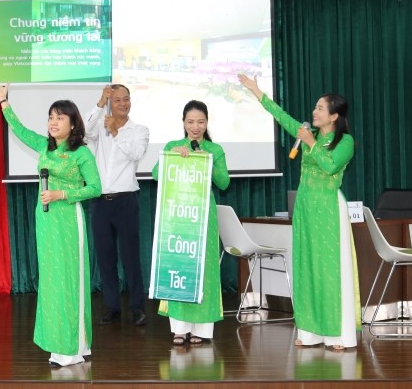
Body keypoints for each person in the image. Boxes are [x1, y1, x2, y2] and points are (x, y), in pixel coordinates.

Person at [237, 73, 359, 350]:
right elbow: (280, 116)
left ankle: (338, 334)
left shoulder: (345, 142)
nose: (314, 112)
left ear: (334, 116)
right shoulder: (307, 134)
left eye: (320, 108)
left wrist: (311, 143)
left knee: (329, 269)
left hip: (328, 208)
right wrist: (256, 90)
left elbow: (330, 166)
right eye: (315, 107)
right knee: (306, 266)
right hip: (305, 207)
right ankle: (310, 331)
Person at [0, 78, 102, 367]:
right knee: (52, 282)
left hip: (68, 219)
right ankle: (61, 344)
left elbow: (95, 188)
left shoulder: (81, 153)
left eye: (60, 117)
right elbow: (19, 129)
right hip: (46, 219)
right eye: (51, 117)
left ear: (73, 124)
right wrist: (4, 101)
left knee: (68, 281)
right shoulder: (44, 146)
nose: (53, 122)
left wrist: (62, 194)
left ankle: (72, 348)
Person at [151, 100, 230, 346]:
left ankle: (201, 329)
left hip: (204, 215)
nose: (195, 127)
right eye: (191, 122)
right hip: (178, 216)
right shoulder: (173, 146)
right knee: (180, 267)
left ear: (207, 123)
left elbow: (224, 183)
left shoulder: (214, 149)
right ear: (183, 123)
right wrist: (172, 156)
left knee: (204, 270)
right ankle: (180, 328)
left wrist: (208, 161)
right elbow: (155, 174)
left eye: (200, 122)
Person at [83, 84, 150, 326]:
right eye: (117, 99)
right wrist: (100, 103)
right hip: (100, 202)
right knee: (105, 257)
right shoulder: (100, 126)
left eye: (126, 99)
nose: (123, 103)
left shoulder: (139, 130)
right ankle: (111, 306)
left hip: (126, 201)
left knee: (131, 257)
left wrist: (115, 132)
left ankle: (137, 306)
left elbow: (136, 153)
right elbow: (83, 131)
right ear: (111, 103)